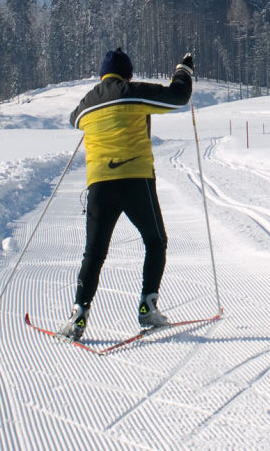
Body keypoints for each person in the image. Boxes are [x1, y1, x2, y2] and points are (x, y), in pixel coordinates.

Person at [59, 49, 194, 340]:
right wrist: (184, 70)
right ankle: (148, 306)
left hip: (99, 186)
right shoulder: (132, 92)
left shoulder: (87, 103)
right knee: (156, 241)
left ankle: (79, 313)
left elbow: (74, 120)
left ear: (101, 75)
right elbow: (178, 96)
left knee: (94, 253)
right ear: (127, 74)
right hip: (136, 181)